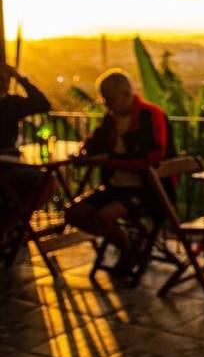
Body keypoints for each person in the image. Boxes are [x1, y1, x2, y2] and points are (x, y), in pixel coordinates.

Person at [65, 69, 173, 276]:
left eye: (110, 99)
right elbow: (93, 143)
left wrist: (111, 161)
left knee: (103, 217)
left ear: (125, 94)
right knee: (73, 214)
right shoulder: (111, 119)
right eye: (104, 100)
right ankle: (128, 243)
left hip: (147, 189)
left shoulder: (150, 115)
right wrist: (83, 154)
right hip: (115, 186)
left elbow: (153, 156)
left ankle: (127, 249)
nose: (107, 104)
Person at [0, 64, 56, 250]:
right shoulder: (11, 104)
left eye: (7, 80)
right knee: (44, 183)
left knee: (47, 183)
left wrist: (21, 78)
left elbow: (43, 104)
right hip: (5, 166)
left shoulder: (12, 103)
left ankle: (10, 225)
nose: (4, 84)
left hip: (11, 162)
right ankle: (10, 226)